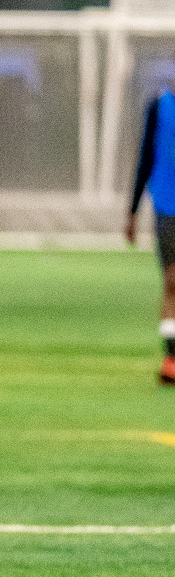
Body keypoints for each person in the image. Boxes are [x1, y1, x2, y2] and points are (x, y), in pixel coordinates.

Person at [125, 73, 175, 384]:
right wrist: (131, 211)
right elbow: (146, 158)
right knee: (172, 280)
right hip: (167, 206)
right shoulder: (159, 106)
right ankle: (171, 357)